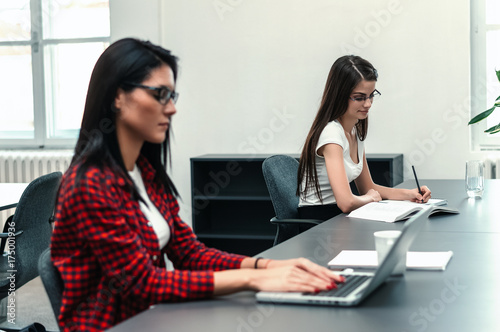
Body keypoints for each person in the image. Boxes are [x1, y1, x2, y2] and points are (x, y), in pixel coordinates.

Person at [50, 38, 344, 331]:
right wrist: (255, 279)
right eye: (159, 94)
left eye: (172, 96)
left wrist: (267, 266)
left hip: (154, 317)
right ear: (117, 96)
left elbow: (188, 253)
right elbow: (140, 284)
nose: (171, 109)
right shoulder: (88, 184)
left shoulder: (146, 172)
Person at [297, 55, 431, 221]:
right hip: (319, 220)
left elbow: (368, 187)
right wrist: (370, 198)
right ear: (339, 95)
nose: (368, 104)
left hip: (340, 216)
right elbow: (346, 202)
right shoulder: (331, 134)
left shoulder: (354, 131)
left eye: (371, 95)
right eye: (359, 97)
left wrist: (410, 194)